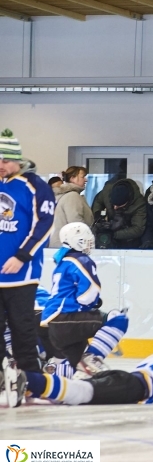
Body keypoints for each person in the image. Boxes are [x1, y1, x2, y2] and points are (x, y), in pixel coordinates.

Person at [0, 129, 55, 377]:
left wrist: (22, 256)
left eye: (5, 160)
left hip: (22, 274)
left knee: (22, 328)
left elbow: (44, 225)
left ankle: (31, 376)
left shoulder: (35, 186)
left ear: (18, 161)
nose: (1, 165)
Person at [41, 222, 128, 377]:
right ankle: (92, 357)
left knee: (69, 362)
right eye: (86, 237)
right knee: (118, 318)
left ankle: (59, 390)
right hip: (66, 319)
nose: (90, 240)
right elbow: (88, 295)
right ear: (78, 240)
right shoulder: (81, 260)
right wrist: (94, 304)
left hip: (52, 324)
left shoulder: (63, 261)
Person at [24, 338, 153, 405]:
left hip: (124, 377)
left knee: (76, 389)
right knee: (81, 392)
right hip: (134, 388)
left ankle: (32, 386)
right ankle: (28, 380)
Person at [91, 177, 146, 249]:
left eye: (119, 205)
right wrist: (98, 214)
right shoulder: (107, 190)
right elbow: (98, 201)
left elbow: (138, 229)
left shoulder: (139, 204)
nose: (115, 207)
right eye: (113, 204)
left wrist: (114, 234)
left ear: (128, 201)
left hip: (129, 241)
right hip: (108, 234)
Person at [51, 165, 93, 245]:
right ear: (72, 178)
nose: (86, 180)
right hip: (69, 247)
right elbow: (76, 225)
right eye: (83, 177)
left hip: (60, 245)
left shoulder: (62, 195)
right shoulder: (72, 196)